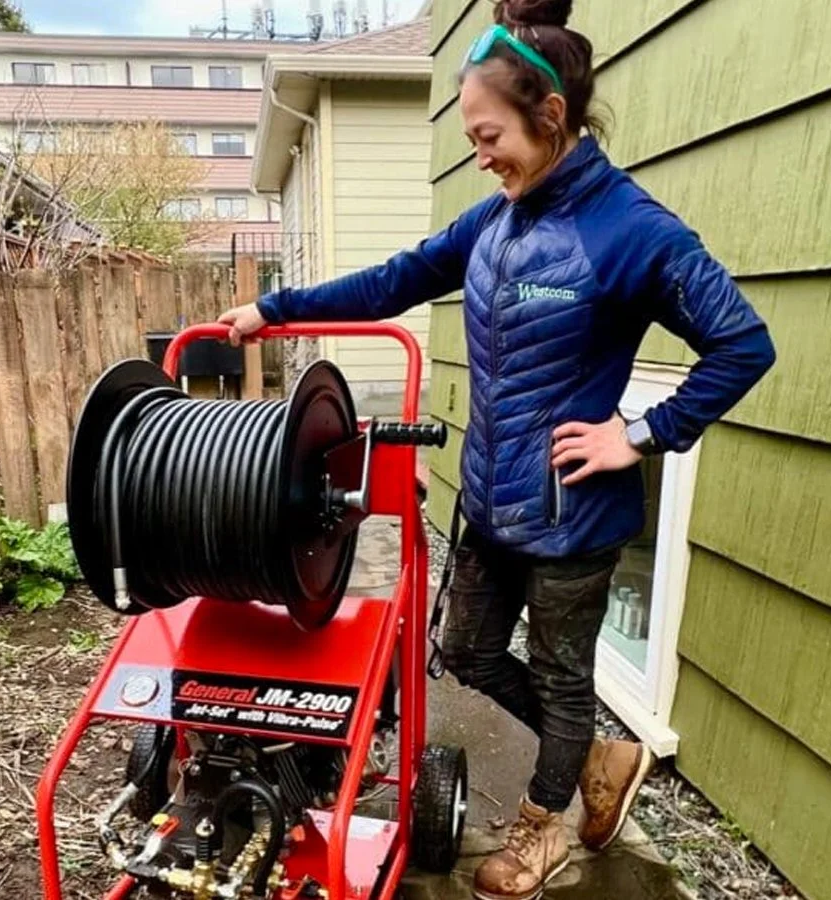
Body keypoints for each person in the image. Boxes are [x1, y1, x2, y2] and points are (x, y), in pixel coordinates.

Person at [219, 0, 776, 896]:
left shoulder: (637, 231)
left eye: (490, 134)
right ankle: (593, 756)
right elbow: (397, 278)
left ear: (550, 119)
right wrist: (276, 308)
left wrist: (640, 433)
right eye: (474, 137)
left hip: (575, 515)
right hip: (490, 500)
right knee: (467, 652)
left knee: (561, 679)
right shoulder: (496, 221)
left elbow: (743, 344)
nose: (481, 153)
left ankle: (543, 826)